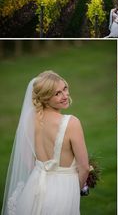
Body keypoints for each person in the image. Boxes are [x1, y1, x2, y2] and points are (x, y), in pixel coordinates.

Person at [1, 71, 89, 215]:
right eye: (57, 93)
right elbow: (84, 167)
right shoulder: (72, 123)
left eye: (65, 88)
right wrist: (76, 189)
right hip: (64, 189)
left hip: (34, 185)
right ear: (45, 98)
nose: (65, 95)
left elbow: (27, 160)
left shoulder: (28, 119)